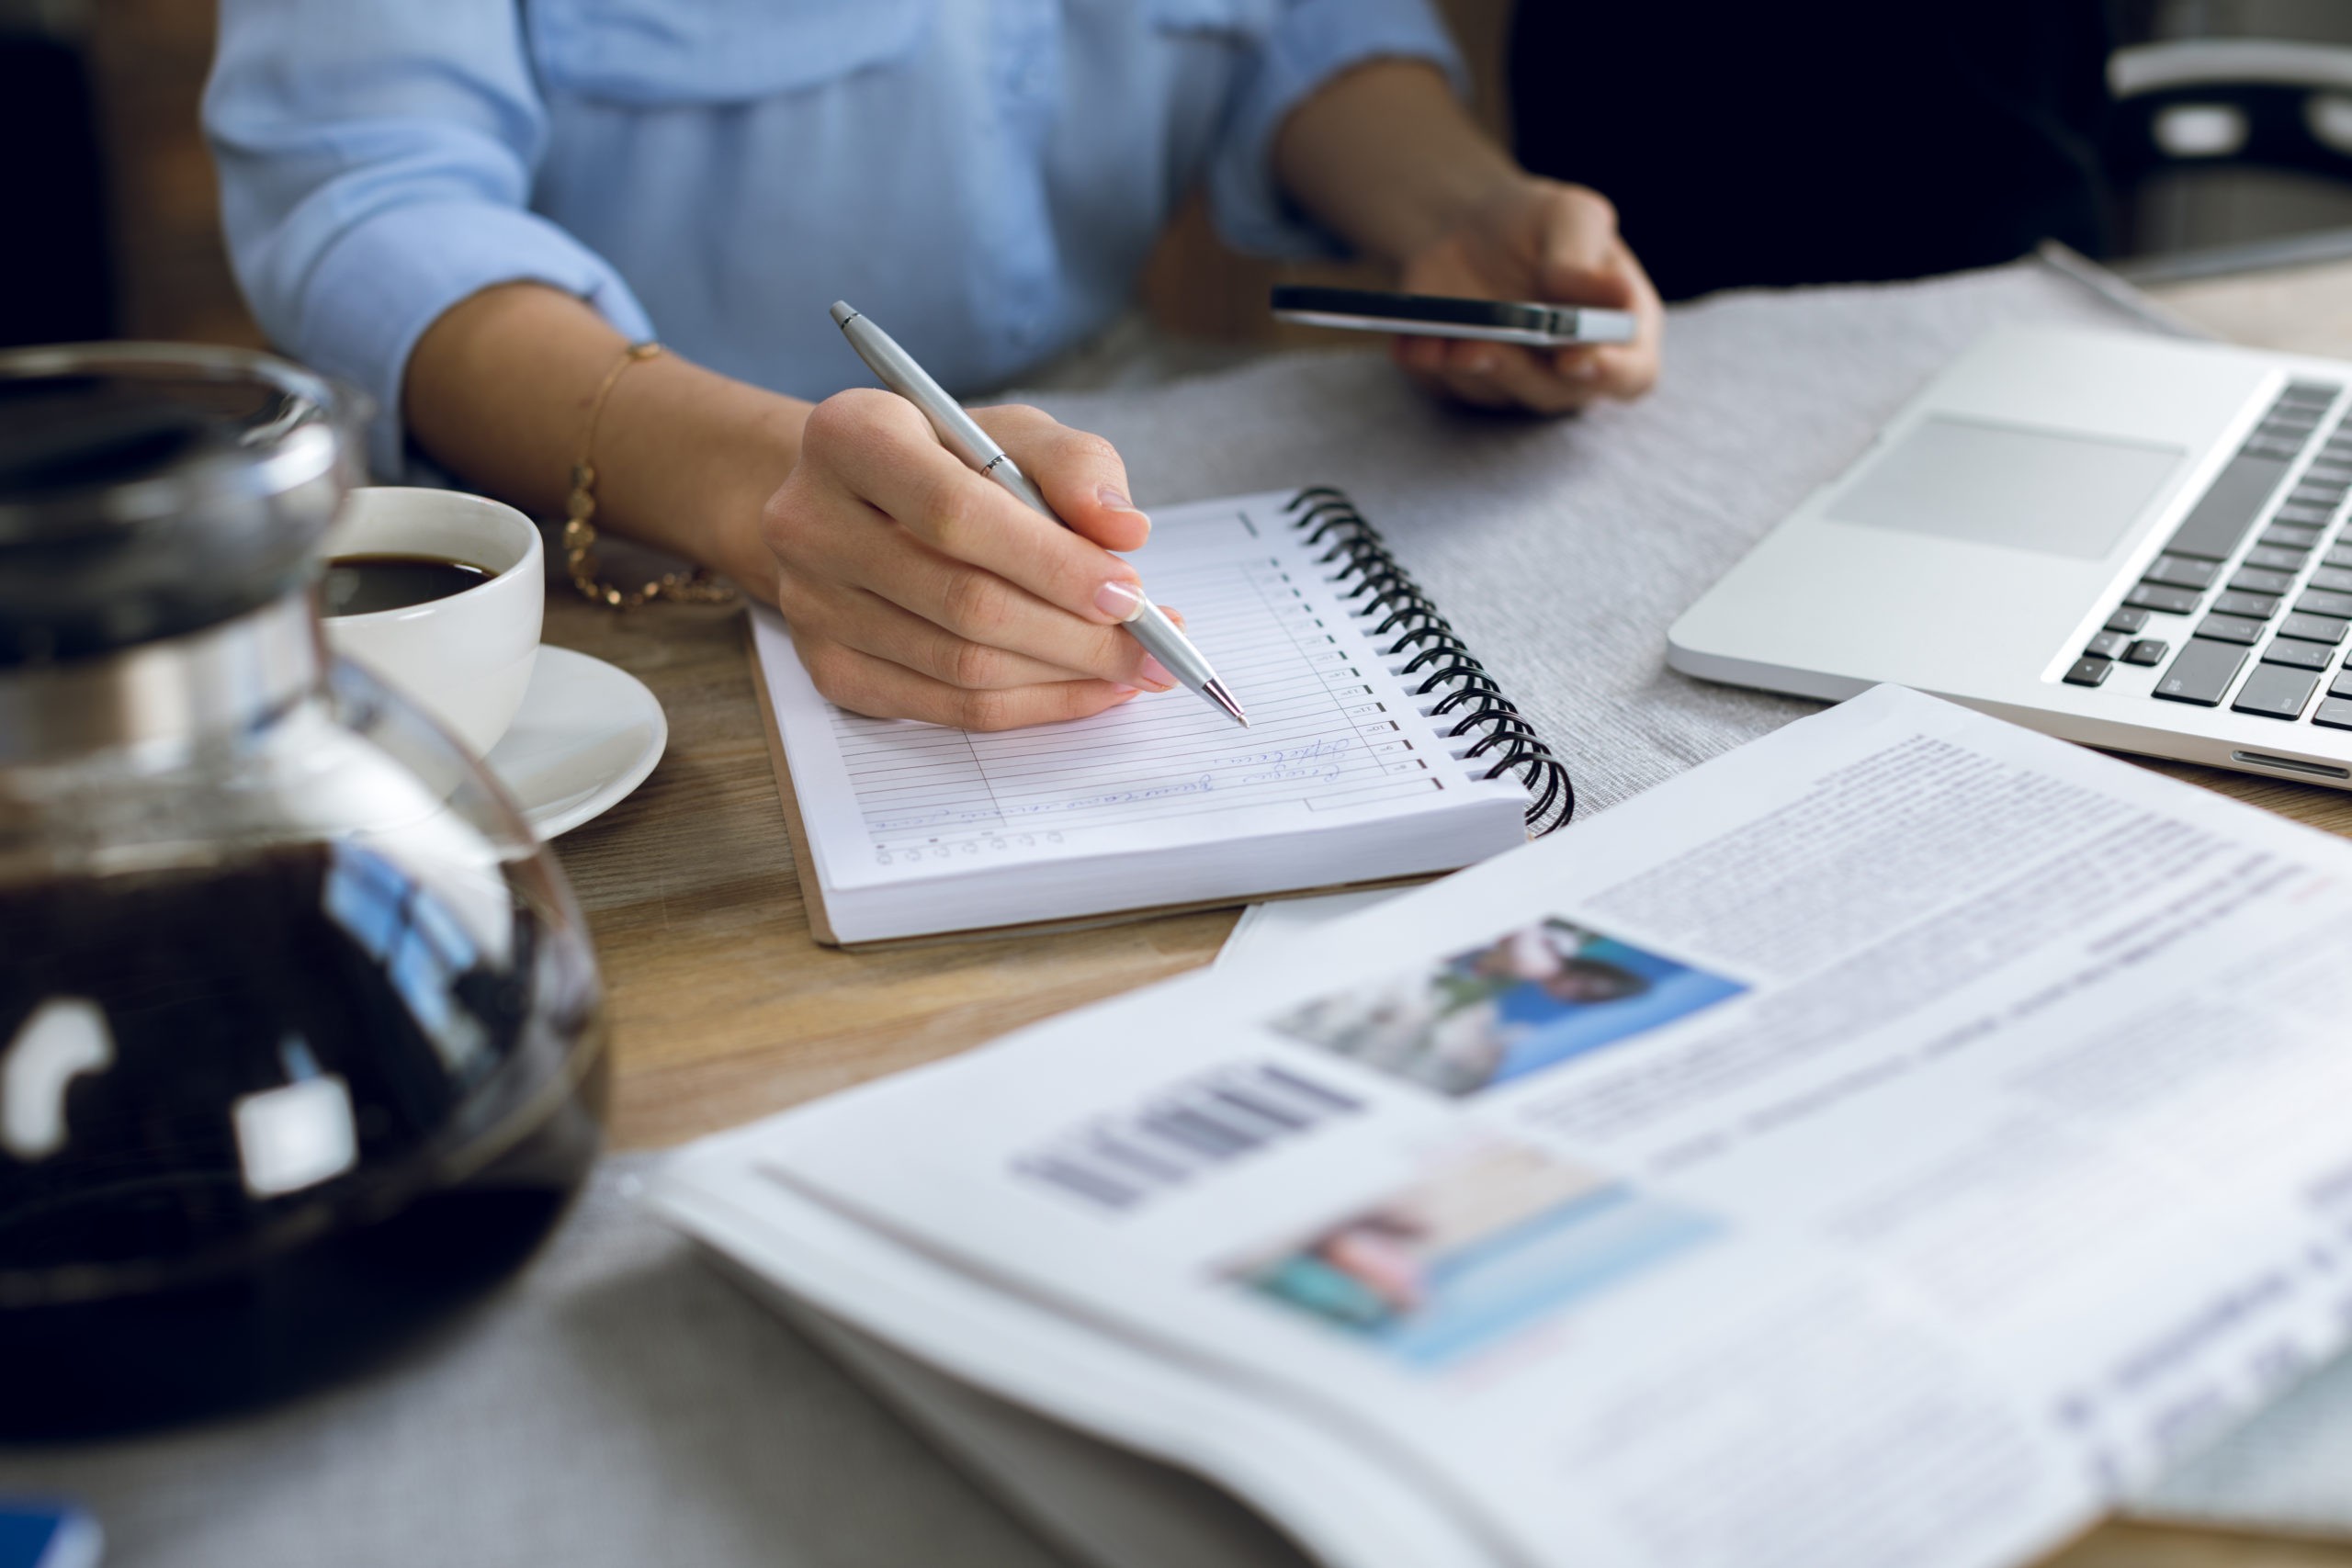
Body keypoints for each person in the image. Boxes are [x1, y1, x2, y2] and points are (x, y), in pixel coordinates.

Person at [205, 1, 1663, 730]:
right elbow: (369, 199)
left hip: (1109, 437)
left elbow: (1301, 25)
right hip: (608, 535)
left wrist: (1453, 210)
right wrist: (755, 477)